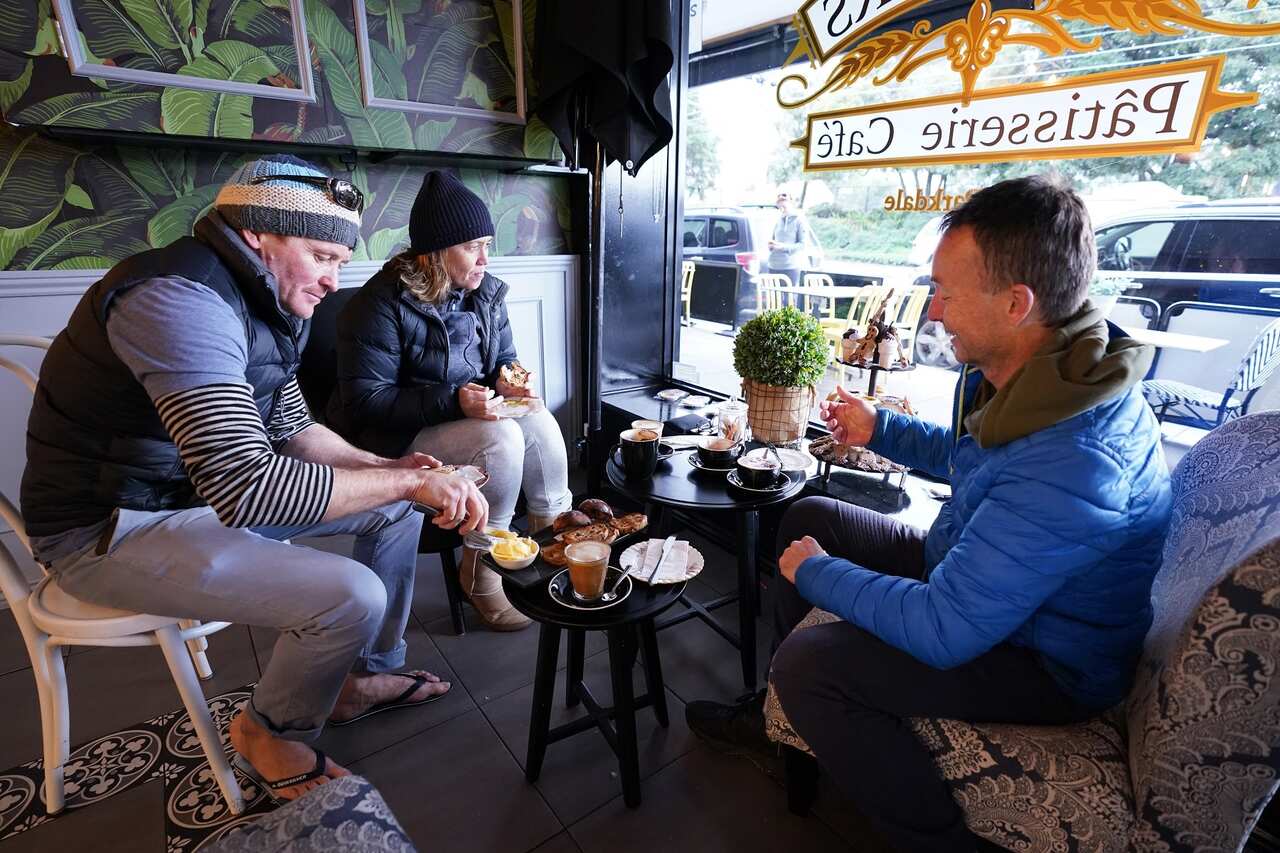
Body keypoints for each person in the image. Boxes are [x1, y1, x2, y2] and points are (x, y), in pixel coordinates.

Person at [686, 175, 1173, 852]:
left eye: (946, 291)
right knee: (809, 517)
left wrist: (821, 577)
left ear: (1015, 302)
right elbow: (975, 462)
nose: (935, 310)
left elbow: (946, 628)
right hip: (992, 583)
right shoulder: (1049, 372)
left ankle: (936, 840)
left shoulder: (1076, 457)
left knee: (809, 660)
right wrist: (879, 427)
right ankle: (787, 729)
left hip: (1045, 660)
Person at [20, 155, 490, 803]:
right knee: (351, 592)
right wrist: (412, 485)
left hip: (184, 495)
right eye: (323, 255)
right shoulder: (179, 300)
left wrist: (393, 471)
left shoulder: (260, 299)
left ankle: (354, 676)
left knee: (395, 509)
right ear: (257, 236)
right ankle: (269, 731)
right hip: (105, 528)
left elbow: (297, 430)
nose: (334, 279)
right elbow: (247, 487)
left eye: (339, 259)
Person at [329, 170, 574, 632]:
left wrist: (513, 382)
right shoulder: (377, 306)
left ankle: (550, 547)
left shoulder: (485, 293)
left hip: (466, 423)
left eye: (487, 243)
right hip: (396, 442)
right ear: (435, 253)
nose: (486, 258)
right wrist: (454, 402)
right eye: (472, 247)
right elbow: (366, 403)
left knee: (537, 419)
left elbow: (505, 359)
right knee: (501, 436)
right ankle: (482, 572)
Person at [765, 190, 820, 286]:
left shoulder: (799, 219)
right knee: (773, 300)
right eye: (778, 196)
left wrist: (782, 247)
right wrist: (771, 246)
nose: (781, 197)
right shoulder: (777, 219)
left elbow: (803, 245)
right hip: (773, 265)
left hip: (790, 267)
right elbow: (773, 240)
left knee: (789, 300)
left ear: (792, 200)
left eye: (784, 195)